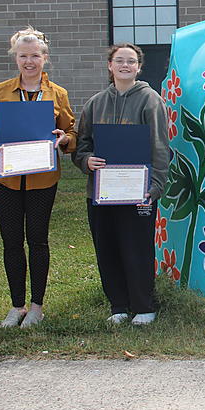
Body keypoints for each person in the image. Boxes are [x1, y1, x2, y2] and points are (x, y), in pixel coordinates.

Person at [0, 27, 77, 328]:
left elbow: (71, 132)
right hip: (5, 179)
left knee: (38, 240)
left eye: (35, 55)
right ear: (15, 58)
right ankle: (16, 305)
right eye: (23, 56)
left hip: (41, 180)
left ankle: (36, 306)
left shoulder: (58, 94)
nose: (29, 61)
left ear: (45, 57)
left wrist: (63, 139)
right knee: (11, 241)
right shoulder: (0, 91)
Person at [72, 43, 169, 326]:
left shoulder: (151, 100)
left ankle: (143, 305)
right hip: (102, 192)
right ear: (110, 66)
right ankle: (118, 306)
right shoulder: (95, 103)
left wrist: (154, 187)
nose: (125, 66)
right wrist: (86, 160)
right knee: (108, 247)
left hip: (138, 191)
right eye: (119, 61)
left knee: (136, 247)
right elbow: (82, 144)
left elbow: (160, 147)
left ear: (139, 67)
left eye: (131, 61)